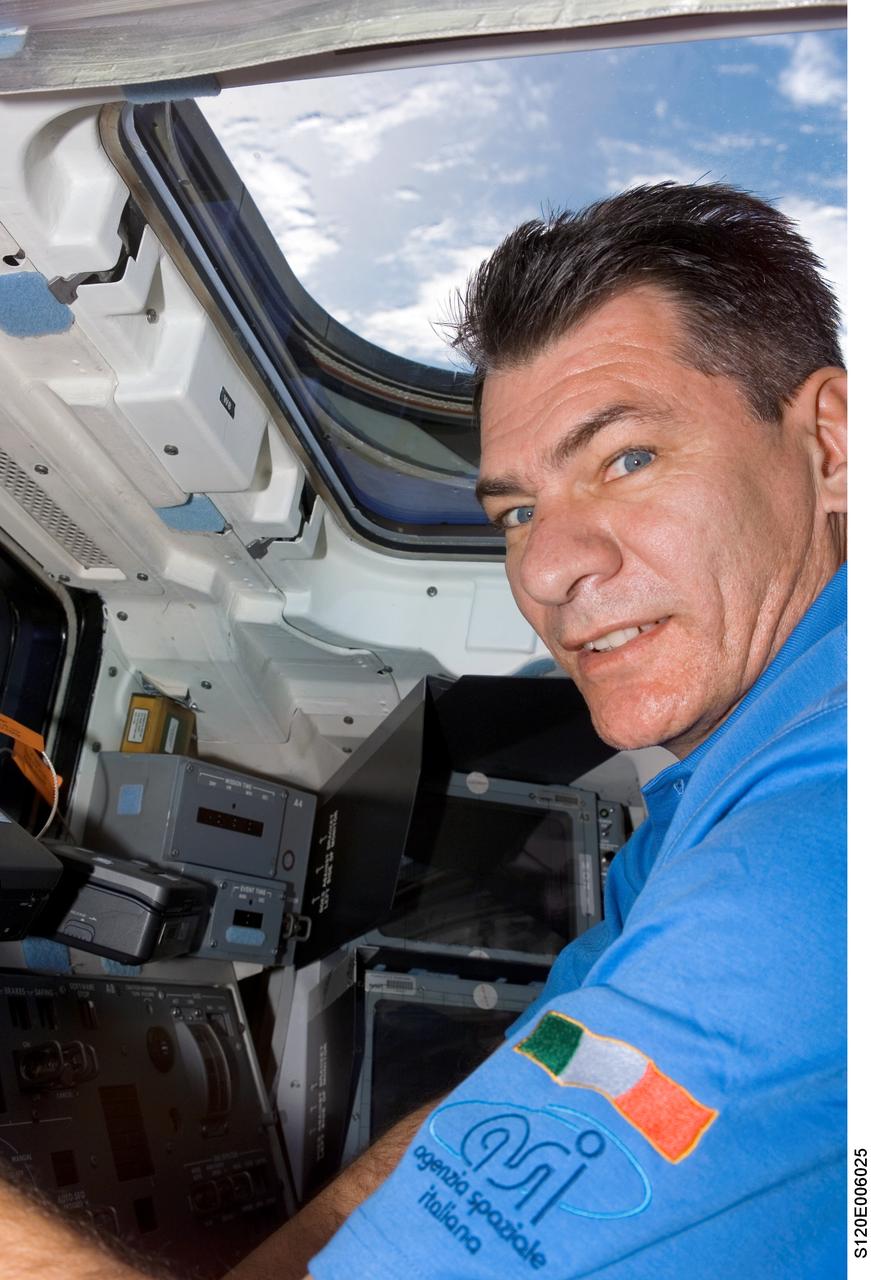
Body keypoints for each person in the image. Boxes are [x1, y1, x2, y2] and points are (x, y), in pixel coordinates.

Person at [0, 181, 847, 1279]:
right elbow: (537, 1061)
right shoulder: (721, 788)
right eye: (515, 512)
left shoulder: (798, 865)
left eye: (626, 458)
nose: (543, 568)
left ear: (828, 444)